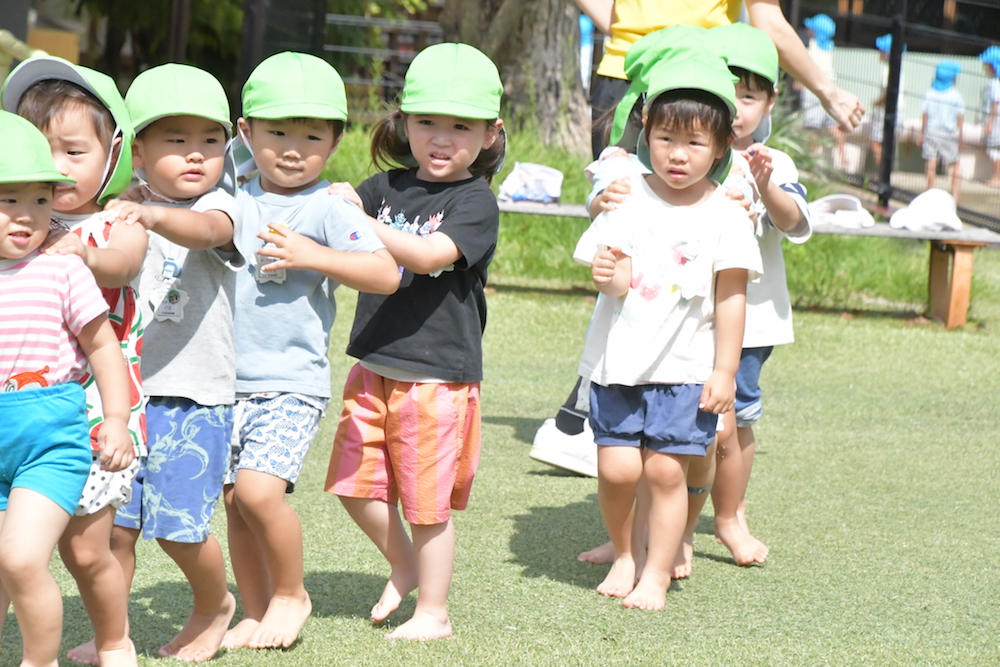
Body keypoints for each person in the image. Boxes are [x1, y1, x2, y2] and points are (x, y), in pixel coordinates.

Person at [572, 26, 762, 610]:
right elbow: (617, 278)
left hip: (685, 369)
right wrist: (607, 273)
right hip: (619, 365)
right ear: (646, 134)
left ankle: (655, 573)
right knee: (617, 470)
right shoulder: (628, 194)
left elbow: (731, 297)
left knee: (664, 473)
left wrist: (725, 371)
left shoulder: (727, 213)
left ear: (721, 148)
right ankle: (624, 550)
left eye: (695, 143)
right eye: (665, 138)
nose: (677, 154)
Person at [325, 42, 505, 640]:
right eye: (427, 121)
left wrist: (360, 222)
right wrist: (332, 200)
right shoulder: (384, 187)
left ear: (490, 133)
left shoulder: (475, 201)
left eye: (461, 126)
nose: (441, 138)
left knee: (426, 506)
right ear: (404, 122)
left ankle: (434, 611)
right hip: (373, 362)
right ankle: (403, 565)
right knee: (352, 485)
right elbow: (335, 219)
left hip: (437, 378)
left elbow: (429, 256)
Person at [222, 51, 399, 651]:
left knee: (258, 493)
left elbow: (385, 273)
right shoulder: (233, 195)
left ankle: (292, 594)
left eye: (312, 137)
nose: (293, 150)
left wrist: (314, 255)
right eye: (277, 133)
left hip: (291, 381)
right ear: (246, 131)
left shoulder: (328, 206)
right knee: (234, 502)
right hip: (225, 381)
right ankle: (253, 609)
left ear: (336, 140)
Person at [72, 63, 240, 664]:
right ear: (137, 152)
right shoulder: (122, 209)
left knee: (179, 530)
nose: (196, 154)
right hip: (126, 398)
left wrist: (150, 214)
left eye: (210, 140)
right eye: (176, 139)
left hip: (194, 396)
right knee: (116, 530)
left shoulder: (224, 206)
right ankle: (111, 632)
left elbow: (205, 231)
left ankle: (214, 605)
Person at [2, 56, 147, 667]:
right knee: (14, 558)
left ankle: (113, 640)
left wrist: (82, 251)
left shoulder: (112, 225)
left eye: (72, 152)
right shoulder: (29, 226)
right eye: (42, 152)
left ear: (114, 152)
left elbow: (119, 271)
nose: (56, 170)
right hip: (25, 413)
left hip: (84, 412)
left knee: (87, 550)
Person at [673, 21, 812, 577]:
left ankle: (728, 517)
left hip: (748, 324)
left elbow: (795, 222)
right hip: (681, 319)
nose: (734, 108)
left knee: (734, 425)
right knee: (675, 425)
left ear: (771, 101)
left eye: (748, 97)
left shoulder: (770, 162)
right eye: (724, 92)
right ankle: (670, 529)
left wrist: (765, 183)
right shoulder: (681, 151)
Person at [573, 0, 865, 159]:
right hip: (695, 85)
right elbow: (770, 25)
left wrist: (630, 33)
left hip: (621, 76)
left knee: (616, 218)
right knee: (696, 228)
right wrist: (828, 93)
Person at [798, 14, 847, 166]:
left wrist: (801, 82)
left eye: (811, 28)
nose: (808, 30)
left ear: (815, 31)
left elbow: (806, 67)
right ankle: (843, 156)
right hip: (830, 84)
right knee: (832, 125)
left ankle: (811, 159)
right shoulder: (829, 47)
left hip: (813, 87)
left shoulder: (812, 47)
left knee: (811, 127)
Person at [918, 60, 965, 201]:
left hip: (932, 131)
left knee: (931, 161)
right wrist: (961, 135)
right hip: (949, 133)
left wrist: (922, 133)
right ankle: (955, 195)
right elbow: (959, 116)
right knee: (954, 163)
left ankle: (930, 191)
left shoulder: (930, 93)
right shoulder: (955, 95)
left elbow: (925, 114)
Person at [869, 34, 905, 170]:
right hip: (900, 112)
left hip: (886, 111)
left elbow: (887, 94)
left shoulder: (888, 71)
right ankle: (886, 172)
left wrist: (877, 102)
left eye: (881, 51)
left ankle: (882, 172)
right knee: (888, 145)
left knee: (875, 142)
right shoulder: (899, 71)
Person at [979, 46, 1000, 187]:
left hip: (995, 120)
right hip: (993, 119)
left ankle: (997, 178)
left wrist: (990, 123)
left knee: (994, 149)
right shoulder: (994, 81)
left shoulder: (995, 83)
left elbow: (995, 103)